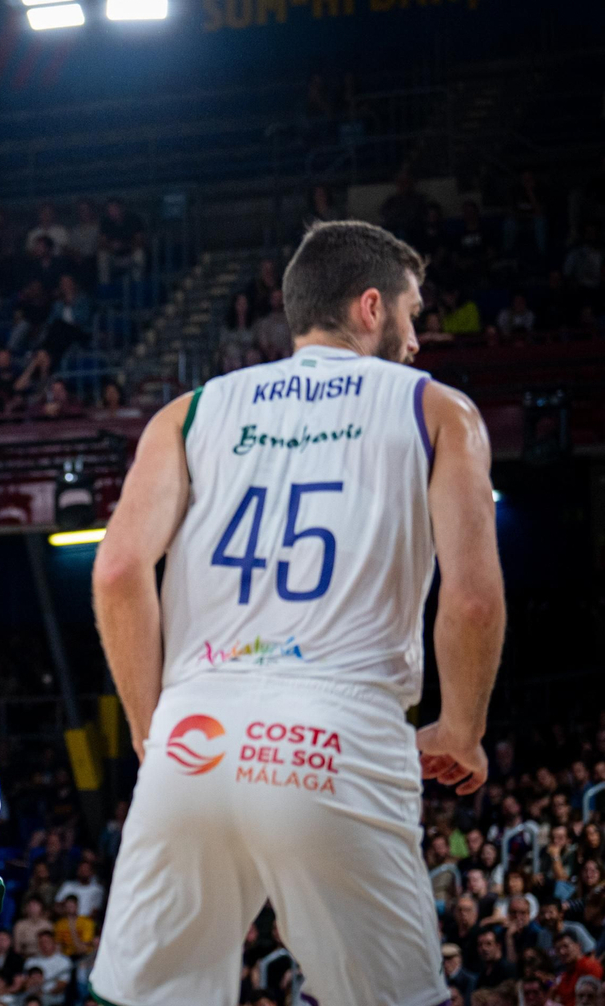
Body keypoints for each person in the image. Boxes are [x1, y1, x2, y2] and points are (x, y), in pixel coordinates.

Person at [87, 219, 505, 1006]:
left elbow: (116, 571)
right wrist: (462, 730)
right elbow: (474, 597)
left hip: (194, 737)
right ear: (372, 307)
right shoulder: (439, 410)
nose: (418, 339)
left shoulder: (189, 412)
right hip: (337, 733)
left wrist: (152, 722)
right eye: (413, 315)